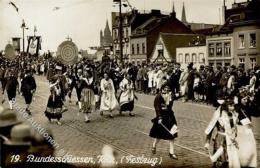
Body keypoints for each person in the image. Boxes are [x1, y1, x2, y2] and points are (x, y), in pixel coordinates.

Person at [149, 84, 178, 159]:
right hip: (162, 117)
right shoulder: (159, 97)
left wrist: (181, 94)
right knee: (159, 134)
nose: (167, 90)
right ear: (162, 89)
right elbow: (157, 108)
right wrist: (159, 117)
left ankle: (171, 153)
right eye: (165, 89)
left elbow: (177, 96)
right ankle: (154, 145)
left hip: (170, 117)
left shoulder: (171, 96)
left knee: (172, 135)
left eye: (168, 89)